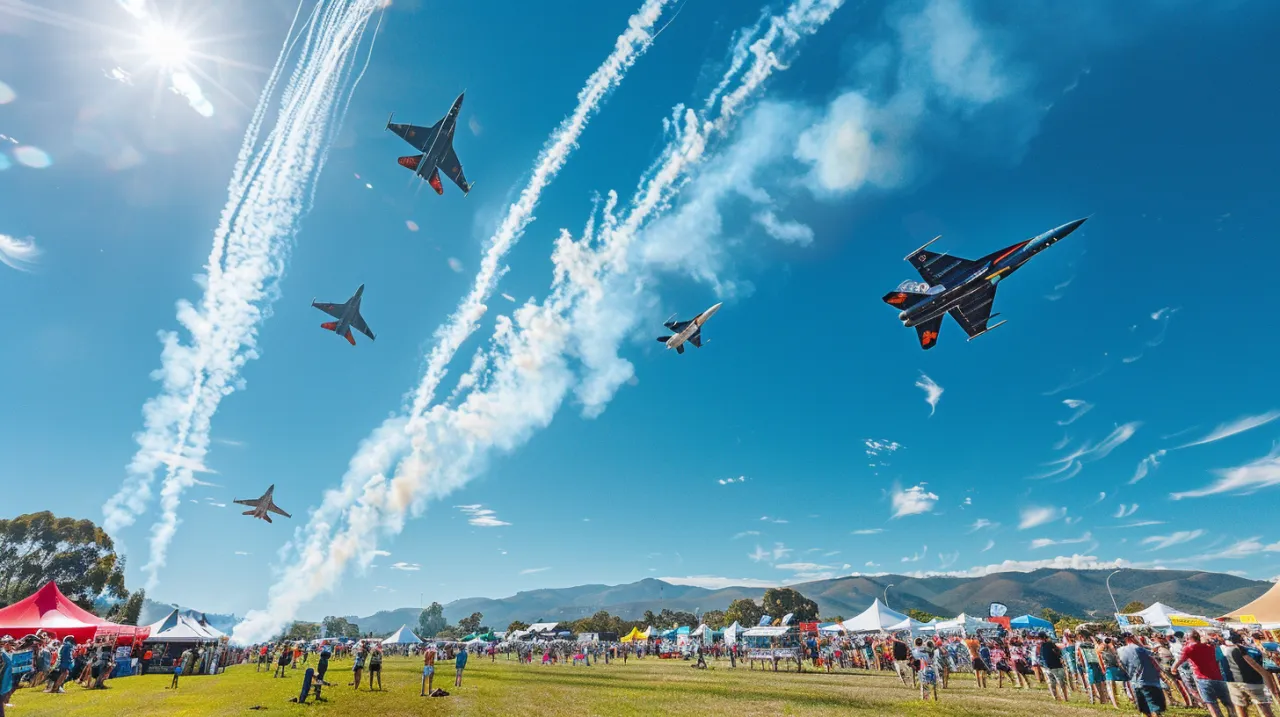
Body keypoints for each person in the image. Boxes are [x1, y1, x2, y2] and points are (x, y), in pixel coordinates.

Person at [1175, 630, 1232, 717]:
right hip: (1218, 677)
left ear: (1188, 638)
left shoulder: (1188, 648)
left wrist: (1173, 668)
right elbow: (1220, 658)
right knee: (1228, 703)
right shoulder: (1211, 646)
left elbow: (1179, 661)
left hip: (1203, 679)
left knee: (1212, 704)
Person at [1219, 632, 1275, 717]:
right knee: (1265, 709)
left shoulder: (1218, 650)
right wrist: (1272, 689)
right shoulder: (1249, 650)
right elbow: (1264, 669)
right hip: (1254, 682)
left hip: (1233, 683)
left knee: (1240, 709)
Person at [1118, 633, 1167, 716]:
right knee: (1155, 709)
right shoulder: (1140, 649)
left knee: (1145, 710)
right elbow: (1153, 655)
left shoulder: (1120, 651)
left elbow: (1122, 665)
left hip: (1135, 683)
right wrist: (1139, 642)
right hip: (1149, 682)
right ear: (1130, 638)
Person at [1039, 633, 1069, 702]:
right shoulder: (1051, 644)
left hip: (1048, 667)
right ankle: (1065, 698)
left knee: (1052, 683)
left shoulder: (1042, 646)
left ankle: (1055, 697)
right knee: (1061, 682)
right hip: (1056, 666)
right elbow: (1058, 653)